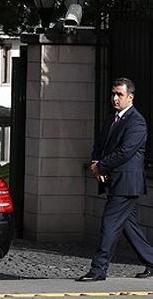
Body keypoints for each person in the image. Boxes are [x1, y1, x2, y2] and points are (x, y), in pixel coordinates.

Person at [77, 78, 153, 282]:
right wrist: (95, 161)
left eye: (119, 94)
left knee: (109, 224)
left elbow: (125, 152)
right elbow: (100, 143)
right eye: (113, 93)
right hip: (115, 181)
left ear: (131, 97)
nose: (114, 98)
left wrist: (101, 166)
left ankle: (99, 269)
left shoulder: (137, 122)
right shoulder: (112, 119)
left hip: (127, 184)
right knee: (129, 227)